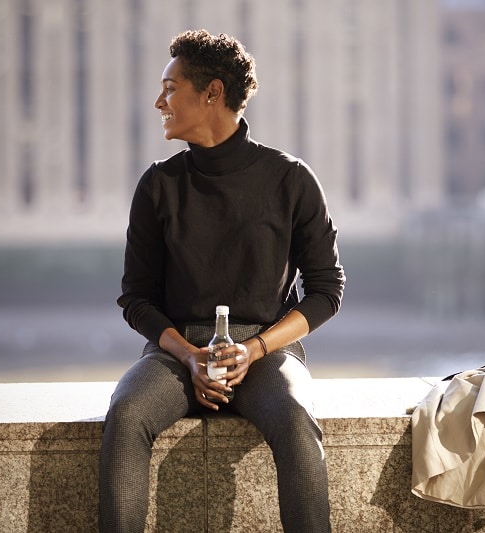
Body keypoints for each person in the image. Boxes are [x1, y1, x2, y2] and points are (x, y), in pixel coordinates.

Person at [99, 30, 345, 532]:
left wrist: (254, 350)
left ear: (212, 92)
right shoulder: (158, 185)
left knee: (297, 421)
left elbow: (326, 289)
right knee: (125, 415)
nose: (158, 101)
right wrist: (188, 356)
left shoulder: (291, 179)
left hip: (266, 351)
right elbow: (137, 297)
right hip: (174, 352)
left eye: (170, 88)